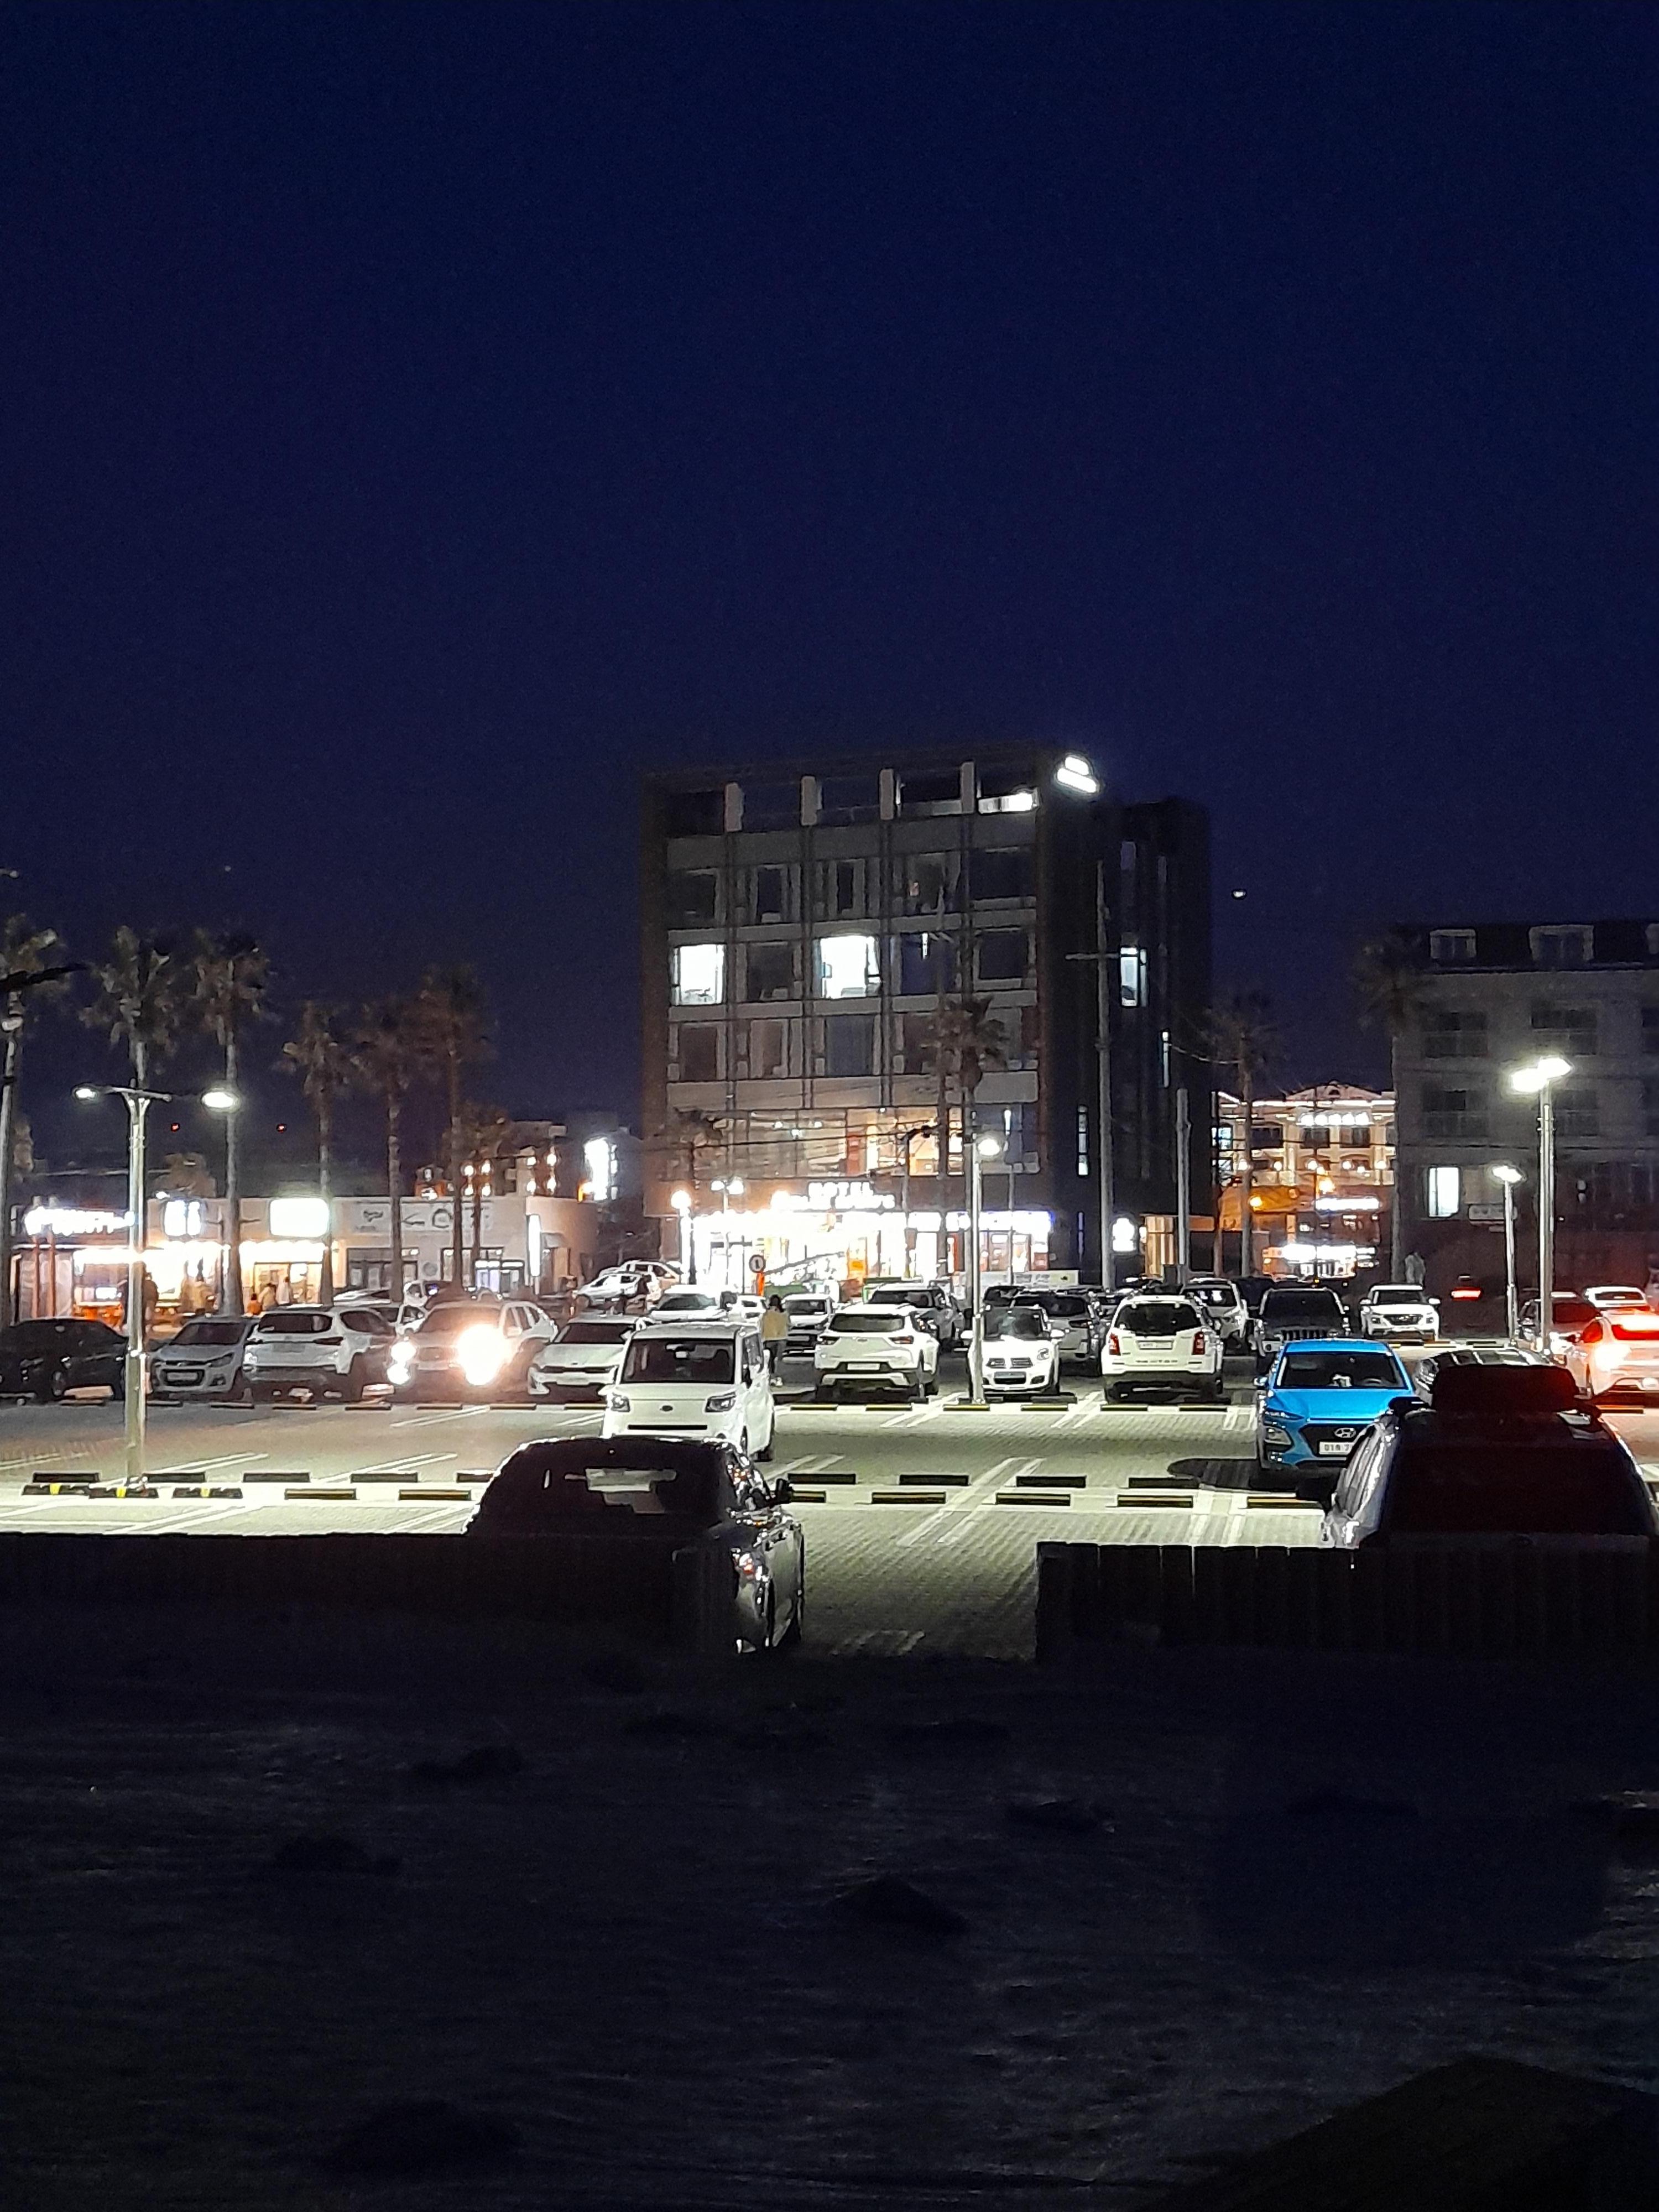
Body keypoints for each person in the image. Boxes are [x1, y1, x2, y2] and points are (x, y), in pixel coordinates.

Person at [761, 1293, 789, 1378]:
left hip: (769, 1338)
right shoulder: (785, 1314)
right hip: (782, 1338)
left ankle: (771, 1374)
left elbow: (761, 1326)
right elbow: (789, 1324)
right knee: (778, 1359)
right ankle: (777, 1375)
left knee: (769, 1358)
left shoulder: (766, 1314)